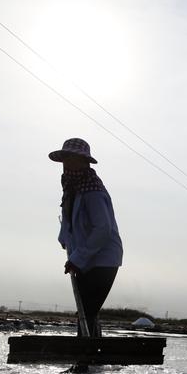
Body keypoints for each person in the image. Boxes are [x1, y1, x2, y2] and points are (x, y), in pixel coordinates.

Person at [51, 138, 123, 336]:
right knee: (86, 312)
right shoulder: (70, 189)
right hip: (83, 257)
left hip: (103, 259)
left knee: (87, 311)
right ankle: (89, 357)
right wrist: (65, 238)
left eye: (72, 158)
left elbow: (102, 229)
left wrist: (77, 258)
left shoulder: (93, 191)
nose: (67, 163)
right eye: (65, 158)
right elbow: (69, 222)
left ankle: (84, 362)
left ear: (84, 162)